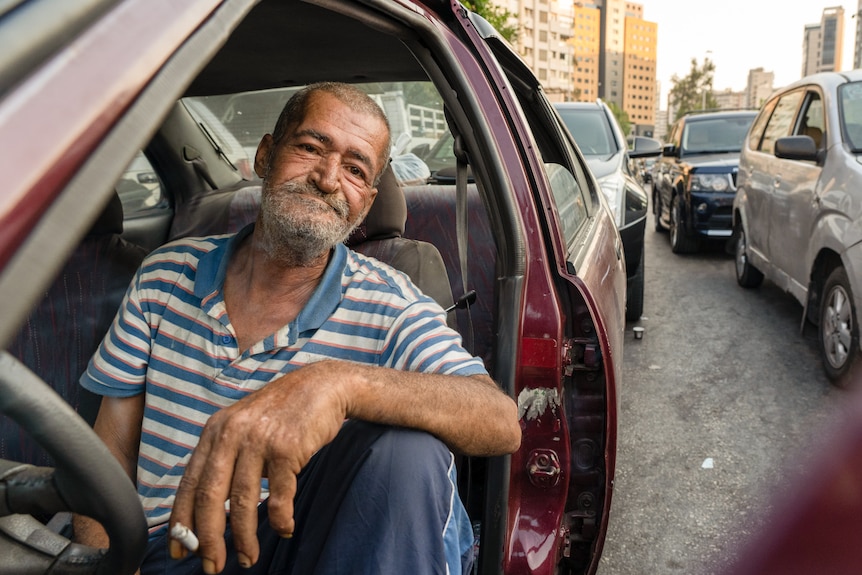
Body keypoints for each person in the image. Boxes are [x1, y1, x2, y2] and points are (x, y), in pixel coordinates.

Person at [73, 82, 521, 575]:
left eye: (355, 169)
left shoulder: (390, 305)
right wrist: (110, 563)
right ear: (266, 154)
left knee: (409, 451)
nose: (328, 180)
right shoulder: (164, 275)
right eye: (310, 148)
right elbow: (109, 447)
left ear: (366, 203)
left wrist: (337, 384)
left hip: (304, 552)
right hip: (171, 549)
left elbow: (500, 420)